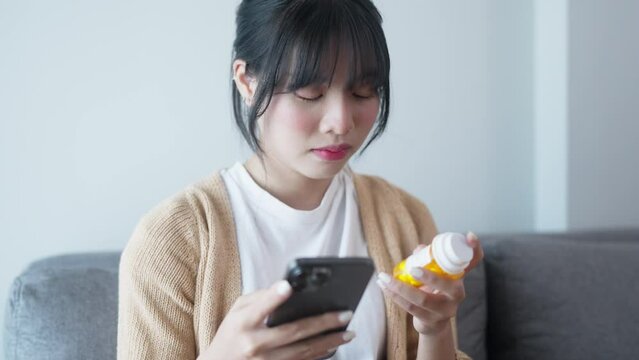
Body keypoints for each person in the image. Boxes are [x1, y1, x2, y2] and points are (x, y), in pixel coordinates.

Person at [117, 0, 483, 359]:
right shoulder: (172, 240)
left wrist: (435, 330)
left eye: (363, 91)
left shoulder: (404, 216)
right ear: (247, 81)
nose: (341, 122)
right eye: (310, 92)